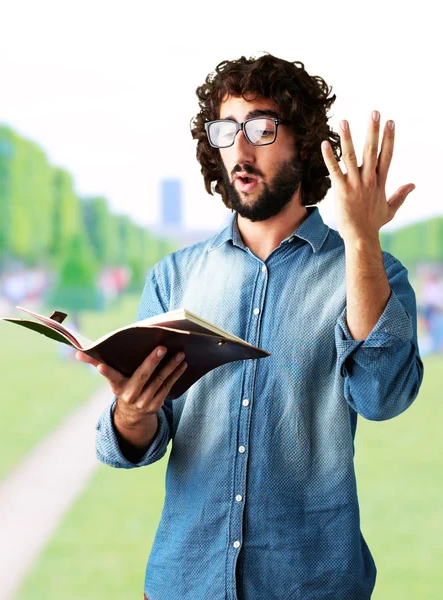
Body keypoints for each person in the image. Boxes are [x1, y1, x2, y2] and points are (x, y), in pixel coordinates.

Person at [76, 53, 424, 600]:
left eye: (261, 128)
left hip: (313, 585)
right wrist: (131, 413)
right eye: (226, 130)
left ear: (303, 144)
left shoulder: (369, 272)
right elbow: (144, 442)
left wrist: (363, 241)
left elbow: (383, 396)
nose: (239, 149)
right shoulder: (175, 276)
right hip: (181, 583)